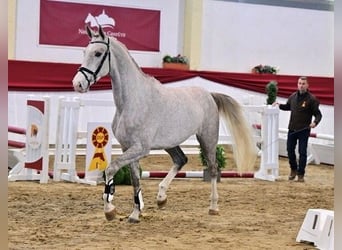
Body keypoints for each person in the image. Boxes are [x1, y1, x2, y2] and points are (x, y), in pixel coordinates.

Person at [273, 76, 322, 182]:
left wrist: (315, 122)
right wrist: (279, 105)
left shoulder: (312, 99)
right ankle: (293, 169)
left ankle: (301, 174)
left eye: (303, 83)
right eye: (300, 83)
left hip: (304, 130)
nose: (301, 85)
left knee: (302, 152)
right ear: (297, 84)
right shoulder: (293, 96)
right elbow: (288, 107)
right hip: (292, 129)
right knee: (290, 150)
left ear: (307, 85)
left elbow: (318, 114)